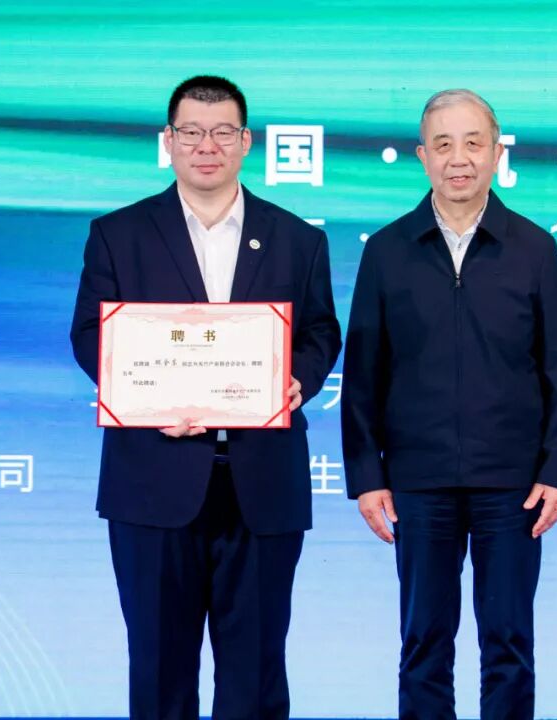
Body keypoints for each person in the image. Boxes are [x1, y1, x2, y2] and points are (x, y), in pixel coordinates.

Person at [70, 75, 341, 719]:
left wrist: (298, 378)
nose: (206, 146)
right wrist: (144, 396)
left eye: (222, 132)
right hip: (153, 480)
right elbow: (90, 334)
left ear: (245, 142)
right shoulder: (119, 234)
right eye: (191, 132)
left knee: (255, 675)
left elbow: (320, 331)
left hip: (262, 483)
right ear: (168, 141)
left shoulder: (297, 238)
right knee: (159, 671)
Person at [341, 88, 557, 720]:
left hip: (512, 484)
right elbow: (363, 374)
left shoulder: (534, 249)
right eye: (443, 144)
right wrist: (367, 477)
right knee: (423, 642)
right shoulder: (387, 250)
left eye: (474, 143)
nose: (459, 159)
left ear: (498, 153)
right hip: (417, 481)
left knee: (509, 642)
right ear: (423, 156)